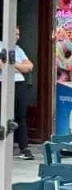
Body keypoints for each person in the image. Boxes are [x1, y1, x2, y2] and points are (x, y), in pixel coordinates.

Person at [3, 27, 35, 160]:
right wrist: (19, 67)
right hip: (4, 83)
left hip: (19, 84)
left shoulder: (18, 49)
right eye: (15, 33)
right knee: (4, 115)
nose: (17, 36)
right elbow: (2, 66)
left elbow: (30, 67)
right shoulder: (1, 46)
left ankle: (24, 148)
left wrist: (12, 64)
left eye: (18, 34)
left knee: (20, 115)